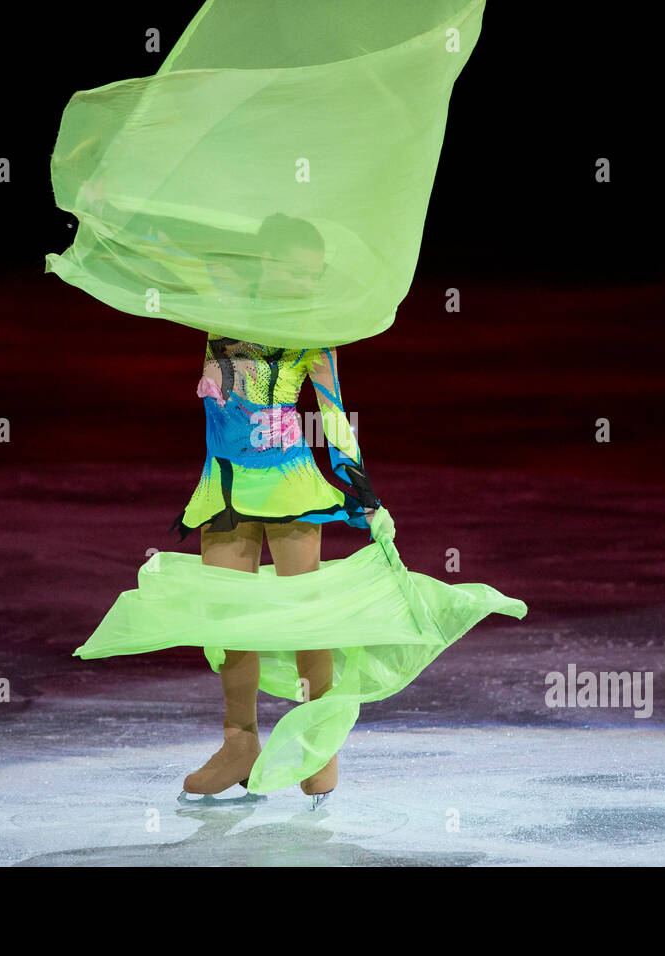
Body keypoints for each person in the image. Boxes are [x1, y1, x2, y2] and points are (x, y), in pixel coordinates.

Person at [167, 214, 378, 806]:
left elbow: (332, 410)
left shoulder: (313, 331)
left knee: (303, 614)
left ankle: (318, 740)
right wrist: (107, 205)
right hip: (227, 488)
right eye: (298, 272)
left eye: (315, 275)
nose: (308, 285)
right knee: (228, 617)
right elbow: (161, 257)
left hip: (289, 486)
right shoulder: (220, 310)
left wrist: (363, 490)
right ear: (267, 266)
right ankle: (240, 741)